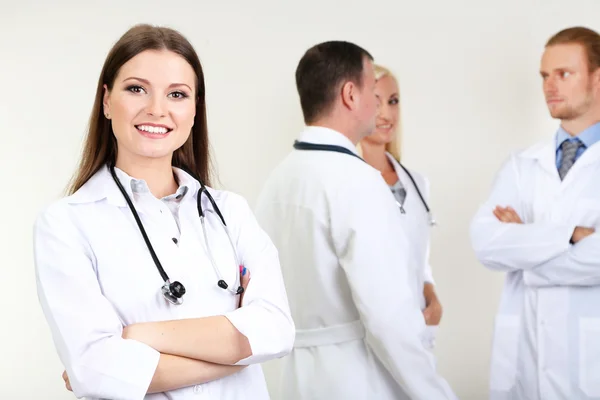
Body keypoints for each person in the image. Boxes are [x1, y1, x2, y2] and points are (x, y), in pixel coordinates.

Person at [32, 24, 294, 399]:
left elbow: (278, 330)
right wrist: (240, 351)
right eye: (136, 88)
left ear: (194, 110)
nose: (157, 109)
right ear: (106, 100)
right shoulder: (66, 224)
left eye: (177, 94)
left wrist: (137, 336)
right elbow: (96, 369)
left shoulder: (230, 213)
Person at [254, 41, 456, 400]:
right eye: (371, 93)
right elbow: (390, 320)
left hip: (296, 379)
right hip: (361, 379)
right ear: (350, 94)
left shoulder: (277, 181)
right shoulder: (359, 182)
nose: (378, 105)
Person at [470, 26, 600, 400]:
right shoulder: (521, 166)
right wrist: (572, 235)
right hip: (523, 370)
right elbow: (486, 245)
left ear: (597, 77)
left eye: (564, 74)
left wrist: (524, 247)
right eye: (545, 75)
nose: (549, 86)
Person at [359, 64, 442, 350]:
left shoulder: (417, 183)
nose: (386, 114)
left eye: (393, 101)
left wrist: (432, 297)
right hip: (370, 333)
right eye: (376, 101)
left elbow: (419, 260)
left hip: (418, 326)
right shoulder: (347, 182)